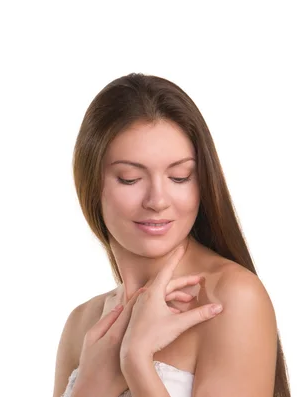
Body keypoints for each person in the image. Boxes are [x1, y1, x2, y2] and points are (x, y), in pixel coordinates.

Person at [52, 73, 291, 397]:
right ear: (91, 183)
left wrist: (135, 361)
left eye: (179, 177)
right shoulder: (82, 323)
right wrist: (91, 386)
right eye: (130, 178)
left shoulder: (230, 298)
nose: (158, 201)